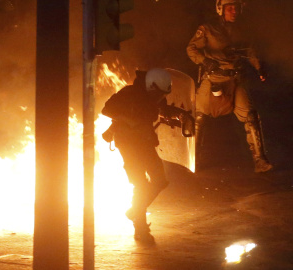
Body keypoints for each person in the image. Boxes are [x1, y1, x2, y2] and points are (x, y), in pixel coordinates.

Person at [186, 0, 272, 173]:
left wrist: (259, 67)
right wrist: (205, 61)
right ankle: (191, 161)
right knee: (199, 118)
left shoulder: (243, 30)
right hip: (214, 78)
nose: (234, 11)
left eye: (236, 8)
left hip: (236, 79)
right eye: (230, 8)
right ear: (221, 9)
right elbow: (191, 49)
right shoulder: (208, 29)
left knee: (250, 116)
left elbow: (250, 51)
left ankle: (260, 161)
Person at [101, 68, 173, 241]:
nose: (160, 97)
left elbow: (161, 110)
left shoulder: (155, 96)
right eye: (159, 93)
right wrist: (127, 120)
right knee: (140, 184)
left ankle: (134, 210)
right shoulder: (129, 93)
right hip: (128, 143)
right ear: (151, 86)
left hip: (145, 141)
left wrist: (175, 115)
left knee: (160, 181)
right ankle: (140, 229)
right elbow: (107, 109)